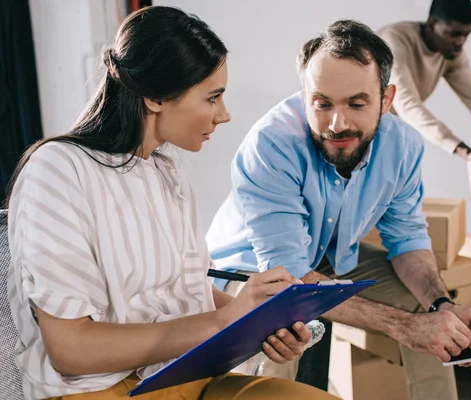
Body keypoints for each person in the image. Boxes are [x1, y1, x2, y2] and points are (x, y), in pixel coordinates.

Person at [5, 6, 341, 400]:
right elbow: (70, 350)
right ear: (155, 96)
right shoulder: (58, 169)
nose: (224, 114)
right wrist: (224, 320)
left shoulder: (167, 171)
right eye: (212, 97)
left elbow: (187, 289)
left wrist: (263, 319)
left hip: (186, 378)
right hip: (101, 391)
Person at [206, 19, 471, 400]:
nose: (337, 123)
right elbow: (288, 276)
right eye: (322, 104)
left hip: (328, 254)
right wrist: (405, 327)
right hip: (251, 269)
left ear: (387, 99)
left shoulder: (404, 147)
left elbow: (407, 240)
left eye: (357, 104)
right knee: (283, 323)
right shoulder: (271, 144)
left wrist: (442, 305)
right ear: (306, 94)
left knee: (429, 313)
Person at [377, 0, 471, 159]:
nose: (460, 42)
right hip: (360, 129)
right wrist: (465, 152)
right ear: (432, 25)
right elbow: (408, 105)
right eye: (453, 34)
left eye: (466, 35)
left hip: (390, 128)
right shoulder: (394, 40)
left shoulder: (451, 52)